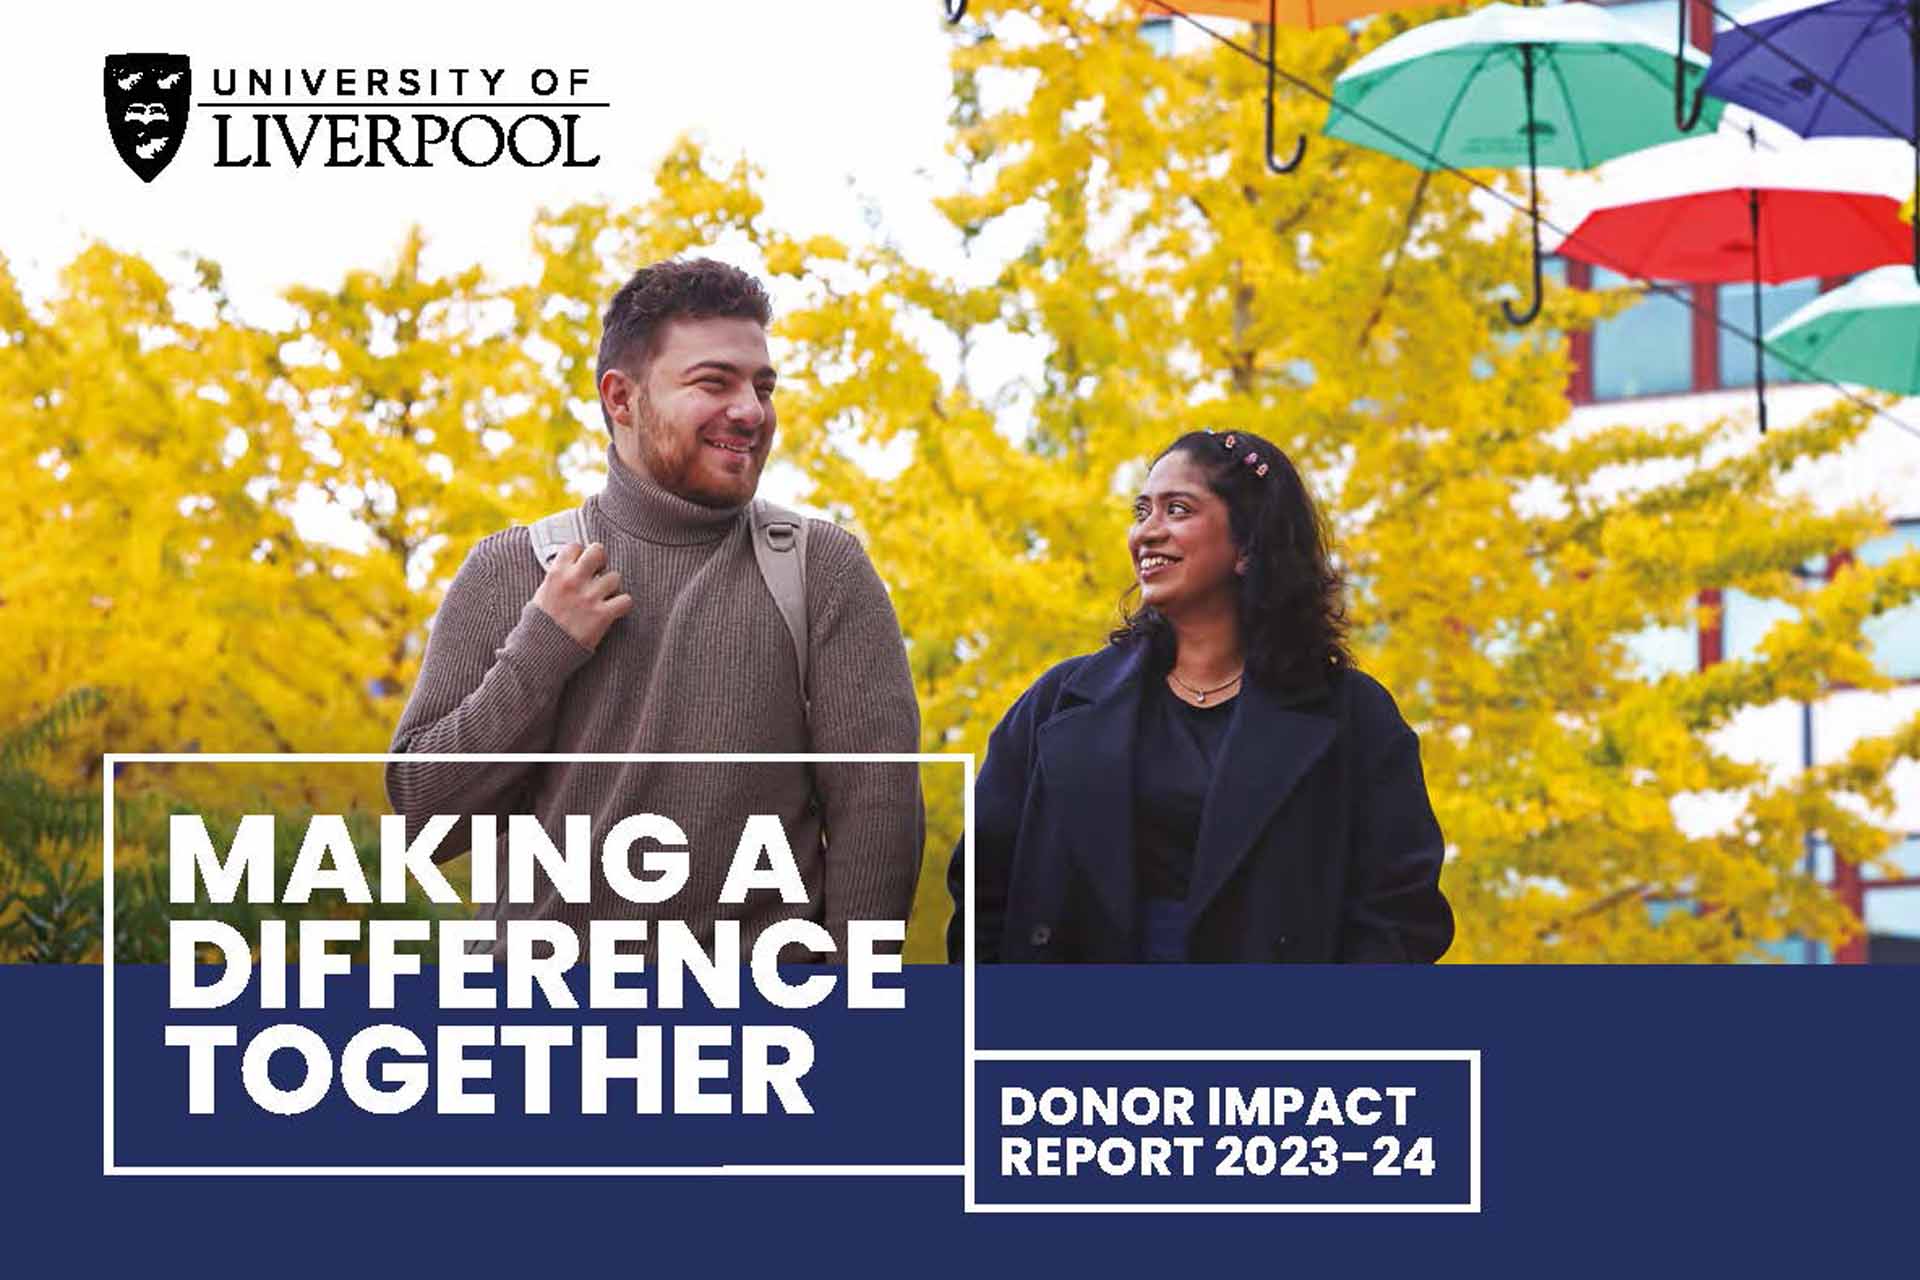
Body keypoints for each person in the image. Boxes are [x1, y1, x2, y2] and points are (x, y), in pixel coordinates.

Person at [387, 257, 923, 960]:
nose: (751, 411)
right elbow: (424, 816)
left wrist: (853, 1011)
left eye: (763, 387)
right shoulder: (509, 570)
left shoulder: (820, 569)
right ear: (621, 398)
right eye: (714, 382)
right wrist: (540, 653)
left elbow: (876, 816)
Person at [948, 429, 1451, 964]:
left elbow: (1400, 910)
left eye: (1178, 509)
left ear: (1249, 544)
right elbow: (983, 886)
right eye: (1142, 511)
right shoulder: (1059, 702)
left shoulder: (1356, 718)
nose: (1147, 532)